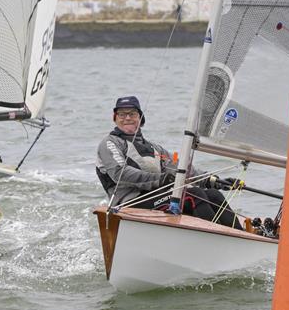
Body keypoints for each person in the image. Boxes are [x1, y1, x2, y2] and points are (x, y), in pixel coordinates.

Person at [96, 95, 243, 229]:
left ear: (140, 119)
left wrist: (213, 180)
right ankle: (215, 241)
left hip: (156, 198)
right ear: (115, 118)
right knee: (193, 195)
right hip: (129, 205)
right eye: (122, 114)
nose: (127, 118)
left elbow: (181, 169)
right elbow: (120, 173)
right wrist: (159, 179)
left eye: (132, 114)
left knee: (214, 195)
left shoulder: (155, 148)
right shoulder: (110, 143)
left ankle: (240, 237)